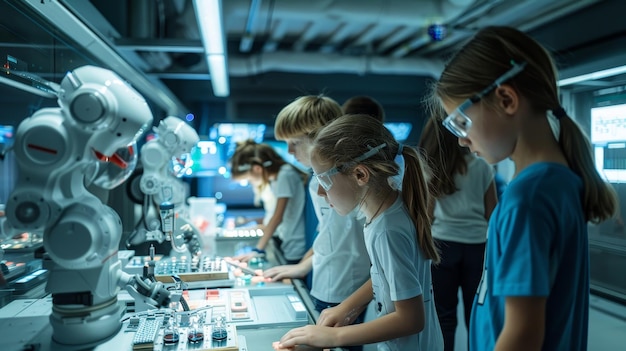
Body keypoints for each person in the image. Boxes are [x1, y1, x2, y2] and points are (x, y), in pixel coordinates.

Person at [429, 26, 618, 351]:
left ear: (506, 98)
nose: (461, 139)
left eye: (462, 122)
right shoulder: (559, 182)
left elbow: (522, 335)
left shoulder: (527, 199)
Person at [277, 114, 443, 351]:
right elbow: (383, 276)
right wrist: (345, 308)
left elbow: (411, 319)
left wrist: (334, 337)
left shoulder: (387, 230)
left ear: (360, 175)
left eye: (324, 181)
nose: (322, 194)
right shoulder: (382, 215)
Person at [266, 95, 372, 351]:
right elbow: (327, 233)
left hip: (348, 291)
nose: (289, 152)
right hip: (324, 285)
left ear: (321, 138)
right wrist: (302, 267)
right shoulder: (316, 182)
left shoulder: (351, 185)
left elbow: (380, 260)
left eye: (294, 143)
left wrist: (350, 305)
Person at [418, 117, 497, 351]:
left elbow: (428, 215)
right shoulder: (481, 165)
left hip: (441, 246)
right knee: (476, 314)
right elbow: (492, 213)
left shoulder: (433, 168)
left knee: (444, 316)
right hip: (477, 247)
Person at [229, 140, 307, 264]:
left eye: (248, 179)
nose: (250, 183)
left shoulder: (285, 174)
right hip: (285, 242)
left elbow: (277, 217)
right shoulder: (276, 179)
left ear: (257, 168)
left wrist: (258, 249)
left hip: (294, 246)